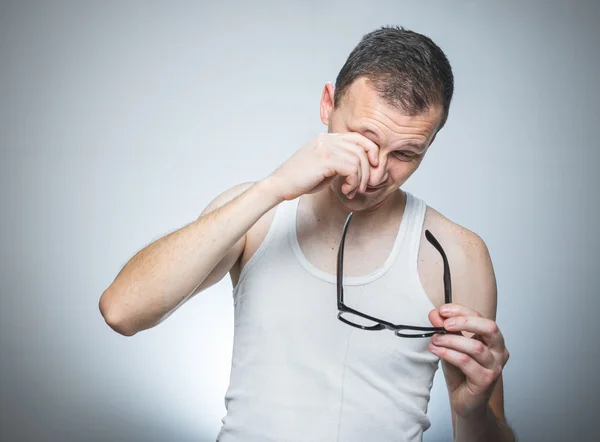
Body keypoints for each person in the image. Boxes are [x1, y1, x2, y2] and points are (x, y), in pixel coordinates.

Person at [99, 26, 515, 442]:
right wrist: (273, 188)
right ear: (327, 104)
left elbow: (483, 431)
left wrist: (472, 412)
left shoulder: (456, 255)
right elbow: (122, 311)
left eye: (404, 154)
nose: (376, 172)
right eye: (364, 140)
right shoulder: (257, 216)